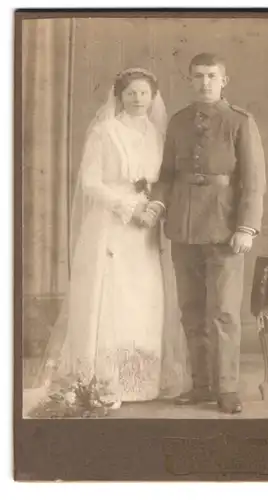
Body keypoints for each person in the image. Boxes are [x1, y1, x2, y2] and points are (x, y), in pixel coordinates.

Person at [28, 67, 190, 411]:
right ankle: (102, 379)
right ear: (119, 96)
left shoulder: (158, 135)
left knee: (143, 297)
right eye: (131, 93)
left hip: (145, 229)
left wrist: (152, 209)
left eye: (144, 93)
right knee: (110, 296)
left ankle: (140, 381)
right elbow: (91, 182)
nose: (137, 99)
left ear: (153, 97)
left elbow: (164, 180)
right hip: (110, 225)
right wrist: (127, 206)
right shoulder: (105, 132)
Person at [142, 53, 266, 414]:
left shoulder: (240, 121)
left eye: (212, 76)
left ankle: (227, 389)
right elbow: (165, 175)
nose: (205, 83)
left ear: (224, 80)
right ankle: (201, 386)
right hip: (182, 228)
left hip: (226, 230)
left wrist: (246, 227)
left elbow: (254, 182)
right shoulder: (178, 122)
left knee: (224, 313)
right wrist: (157, 206)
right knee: (192, 310)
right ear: (190, 80)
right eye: (198, 76)